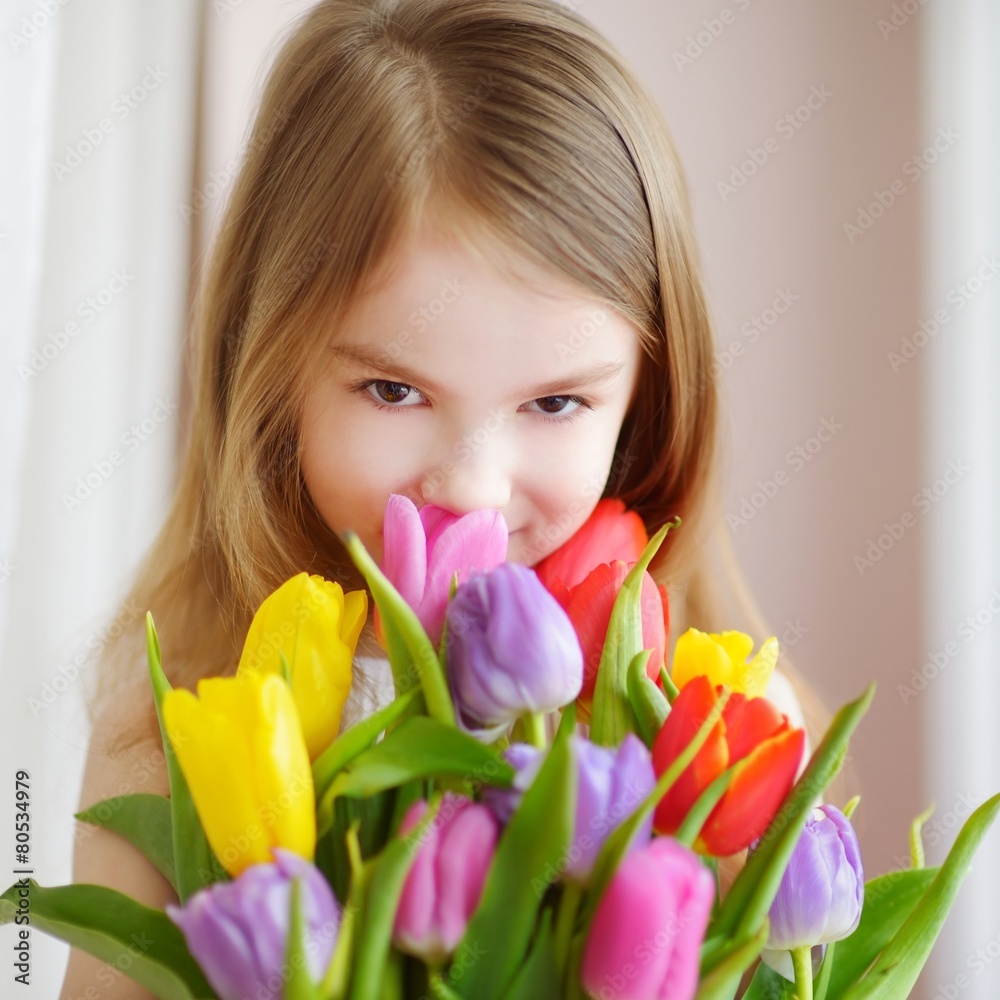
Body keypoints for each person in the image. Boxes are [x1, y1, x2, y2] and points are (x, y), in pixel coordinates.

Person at [60, 1, 824, 996]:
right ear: (269, 369)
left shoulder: (711, 734)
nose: (470, 485)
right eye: (393, 390)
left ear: (645, 397)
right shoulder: (168, 745)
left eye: (554, 401)